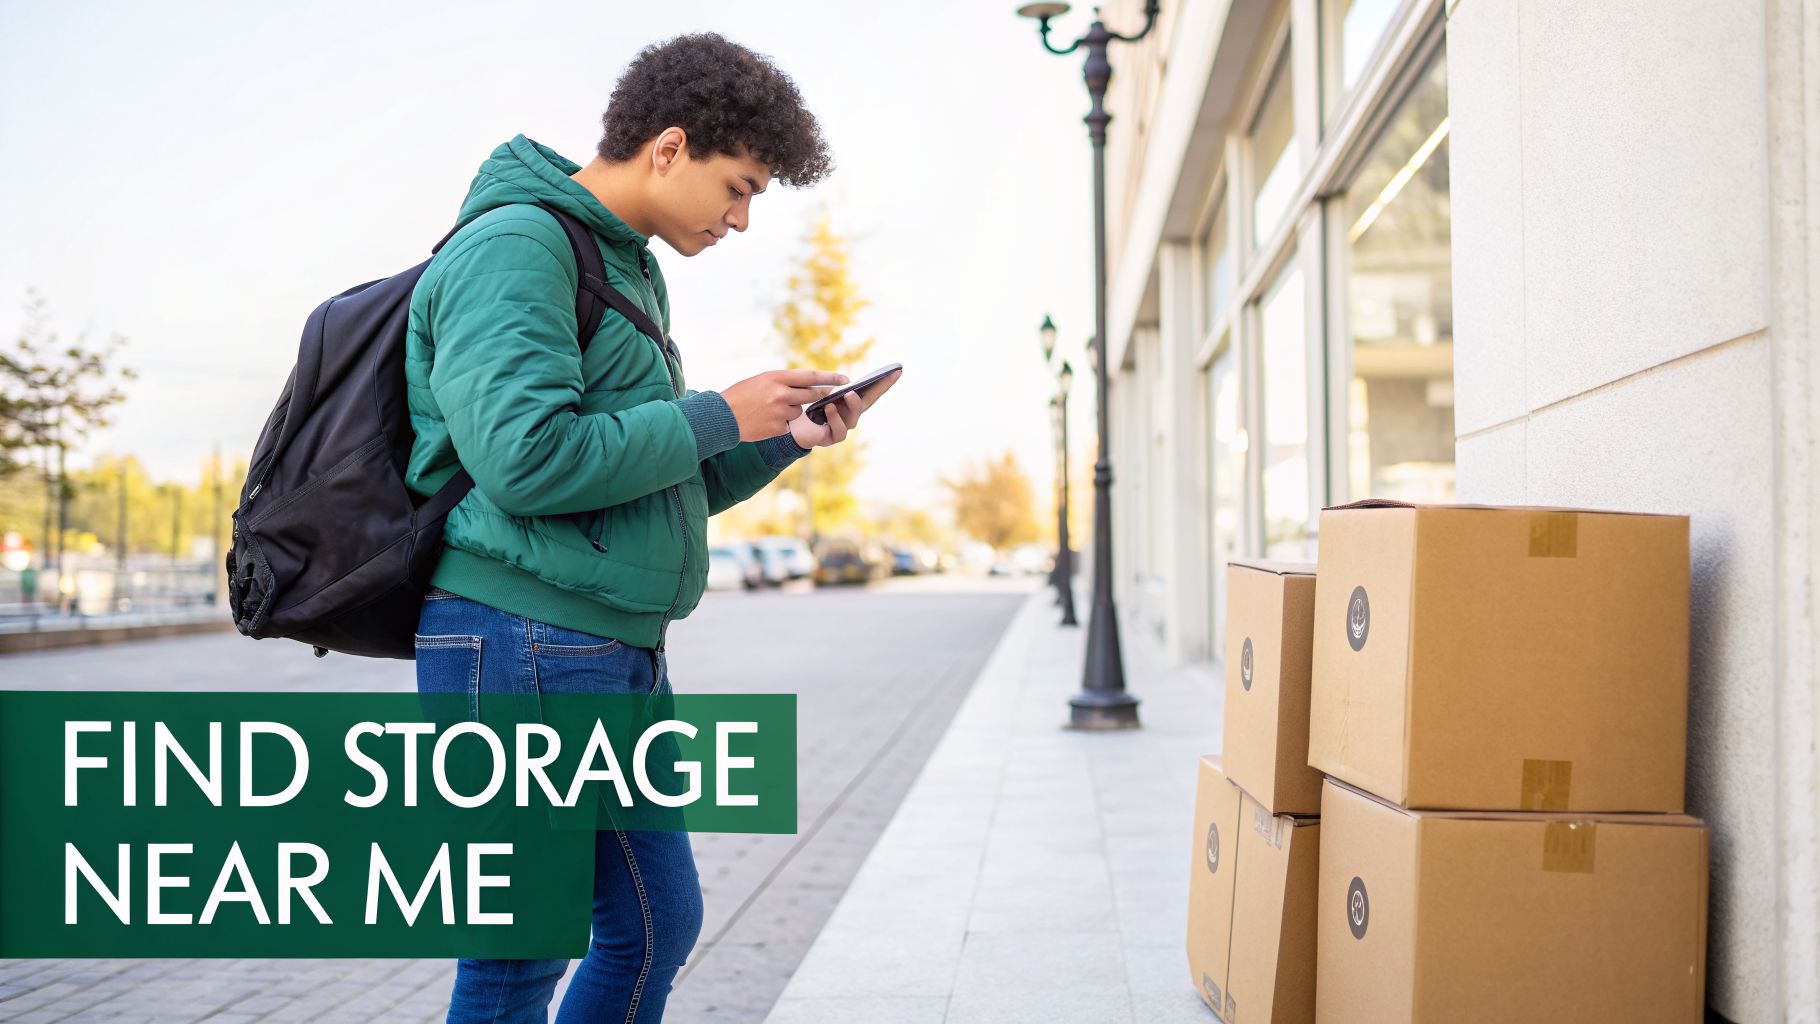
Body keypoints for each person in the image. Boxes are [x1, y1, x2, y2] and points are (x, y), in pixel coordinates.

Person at [401, 32, 899, 1024]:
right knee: (517, 954)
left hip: (602, 646)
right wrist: (717, 410)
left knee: (652, 921)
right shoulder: (517, 245)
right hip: (517, 641)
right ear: (668, 148)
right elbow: (526, 459)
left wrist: (780, 439)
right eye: (738, 187)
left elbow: (641, 484)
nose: (744, 220)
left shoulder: (621, 264)